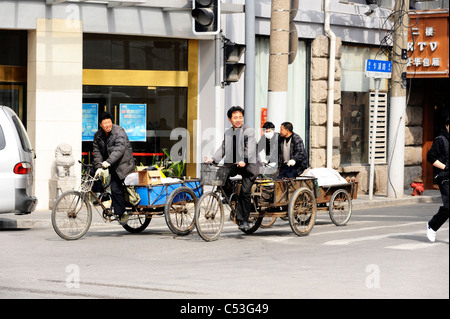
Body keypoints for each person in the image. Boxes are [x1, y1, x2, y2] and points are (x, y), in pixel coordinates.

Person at [207, 106, 261, 231]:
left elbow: (251, 148)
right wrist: (213, 159)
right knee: (221, 174)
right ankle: (232, 198)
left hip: (249, 165)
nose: (238, 120)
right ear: (230, 119)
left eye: (240, 117)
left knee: (245, 191)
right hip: (235, 164)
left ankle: (244, 220)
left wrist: (244, 160)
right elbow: (223, 148)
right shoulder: (228, 132)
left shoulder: (249, 131)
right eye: (235, 117)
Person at [93, 112, 135, 224]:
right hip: (110, 165)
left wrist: (108, 162)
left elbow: (119, 149)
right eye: (105, 123)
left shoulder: (119, 131)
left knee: (116, 188)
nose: (107, 125)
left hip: (124, 165)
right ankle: (107, 202)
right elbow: (97, 152)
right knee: (97, 180)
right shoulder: (98, 135)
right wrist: (98, 166)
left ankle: (121, 214)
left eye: (109, 122)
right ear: (100, 124)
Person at [426, 116, 449, 242]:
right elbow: (430, 156)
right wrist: (445, 167)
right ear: (447, 125)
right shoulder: (441, 139)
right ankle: (432, 226)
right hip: (445, 177)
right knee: (448, 206)